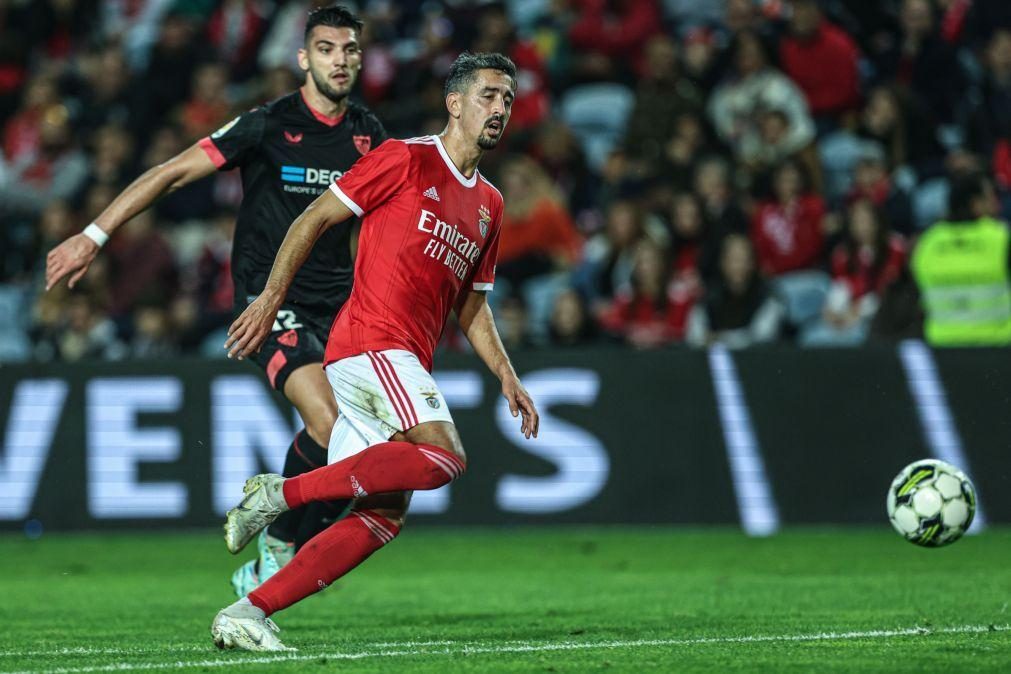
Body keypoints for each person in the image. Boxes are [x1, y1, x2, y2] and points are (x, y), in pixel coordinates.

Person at [43, 5, 387, 598]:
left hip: (341, 306)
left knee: (364, 445)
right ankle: (279, 542)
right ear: (303, 58)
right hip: (267, 303)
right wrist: (93, 235)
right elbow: (173, 172)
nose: (339, 60)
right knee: (328, 420)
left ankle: (276, 540)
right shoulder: (267, 125)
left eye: (349, 50)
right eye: (326, 49)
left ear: (360, 58)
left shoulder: (370, 137)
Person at [210, 52, 539, 652]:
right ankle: (279, 494)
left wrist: (507, 377)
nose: (500, 108)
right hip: (371, 343)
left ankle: (248, 611)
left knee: (381, 518)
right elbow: (315, 217)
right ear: (455, 103)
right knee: (444, 457)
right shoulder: (405, 159)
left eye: (508, 99)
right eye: (488, 95)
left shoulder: (489, 204)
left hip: (401, 359)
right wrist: (269, 296)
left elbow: (471, 305)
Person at [910, 172, 1011, 346]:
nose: (996, 203)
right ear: (975, 204)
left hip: (942, 346)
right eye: (989, 197)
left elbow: (917, 292)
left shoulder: (928, 242)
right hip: (997, 347)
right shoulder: (1001, 238)